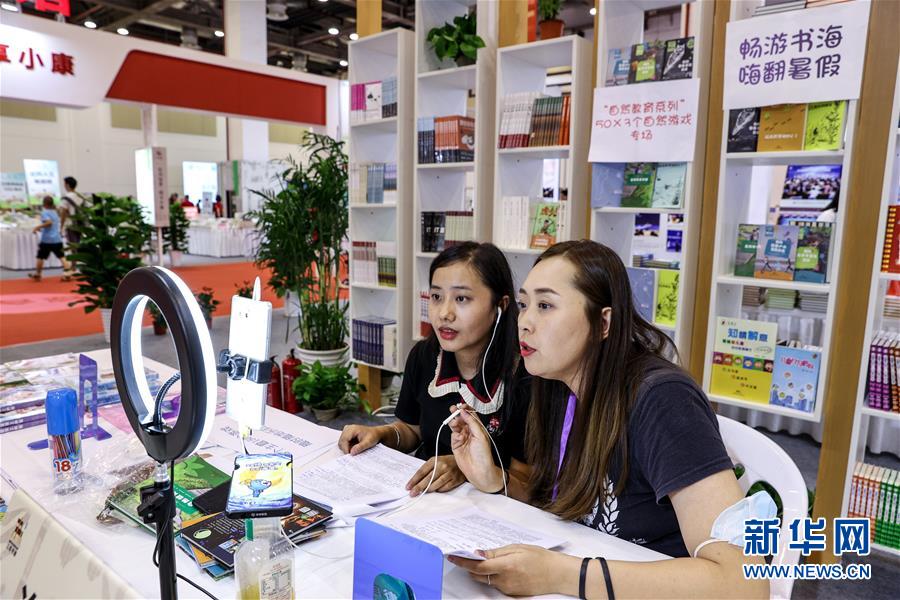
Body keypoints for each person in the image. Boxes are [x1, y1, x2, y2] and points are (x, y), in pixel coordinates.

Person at [446, 240, 767, 598]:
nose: (525, 323)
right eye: (524, 305)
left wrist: (562, 575)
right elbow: (570, 509)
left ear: (603, 322)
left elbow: (744, 583)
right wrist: (494, 478)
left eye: (546, 305)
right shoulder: (556, 386)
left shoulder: (664, 400)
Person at [338, 242, 531, 496]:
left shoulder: (526, 376)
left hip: (488, 508)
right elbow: (412, 430)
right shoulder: (425, 356)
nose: (444, 314)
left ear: (500, 306)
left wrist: (466, 469)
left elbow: (528, 486)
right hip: (423, 498)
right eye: (437, 297)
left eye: (461, 298)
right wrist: (380, 434)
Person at [29, 196, 71, 282]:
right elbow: (51, 225)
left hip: (47, 240)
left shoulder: (45, 212)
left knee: (40, 257)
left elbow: (49, 223)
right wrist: (42, 228)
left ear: (44, 204)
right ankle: (67, 273)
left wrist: (37, 227)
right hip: (56, 238)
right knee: (62, 256)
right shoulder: (54, 212)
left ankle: (38, 274)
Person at [58, 176, 85, 277]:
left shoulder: (66, 197)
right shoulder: (80, 196)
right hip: (81, 225)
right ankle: (77, 266)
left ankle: (74, 268)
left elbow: (63, 212)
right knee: (78, 245)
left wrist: (61, 226)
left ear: (67, 185)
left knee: (73, 246)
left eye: (64, 184)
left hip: (71, 225)